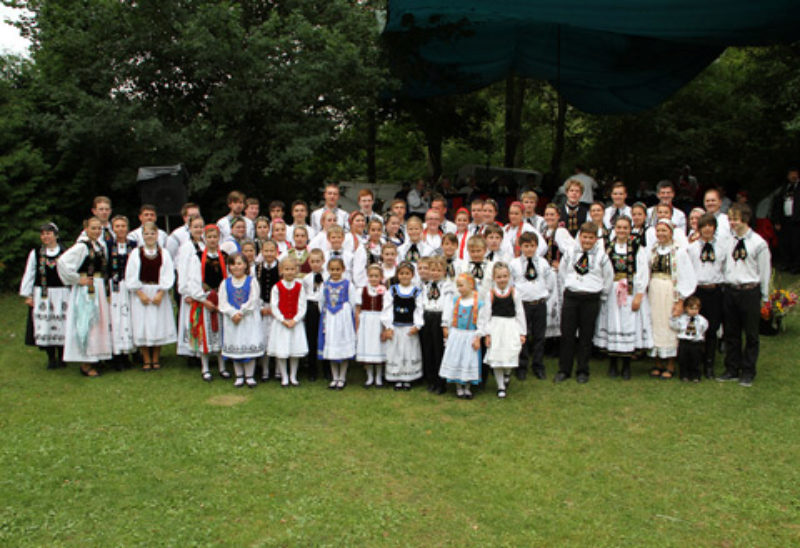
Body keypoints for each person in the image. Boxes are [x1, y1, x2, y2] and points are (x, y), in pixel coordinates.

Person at [554, 222, 614, 384]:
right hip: (572, 296)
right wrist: (568, 287)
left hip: (591, 298)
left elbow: (608, 278)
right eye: (584, 237)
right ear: (580, 236)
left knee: (586, 336)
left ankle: (582, 370)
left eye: (591, 238)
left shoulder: (602, 256)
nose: (587, 241)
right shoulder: (570, 252)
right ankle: (564, 370)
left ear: (596, 239)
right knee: (567, 335)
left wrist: (602, 296)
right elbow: (562, 272)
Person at [593, 216, 652, 380]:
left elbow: (642, 272)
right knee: (612, 323)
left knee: (628, 325)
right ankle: (612, 363)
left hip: (630, 289)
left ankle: (626, 365)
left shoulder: (637, 247)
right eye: (619, 227)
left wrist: (639, 294)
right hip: (612, 289)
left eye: (625, 228)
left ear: (630, 229)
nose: (622, 230)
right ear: (614, 229)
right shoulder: (607, 246)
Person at [718, 204, 771, 387]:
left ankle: (748, 370)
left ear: (745, 219)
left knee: (751, 334)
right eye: (730, 219)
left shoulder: (758, 243)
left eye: (735, 219)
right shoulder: (728, 240)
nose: (732, 222)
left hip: (749, 291)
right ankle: (732, 368)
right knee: (731, 333)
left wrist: (764, 298)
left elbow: (764, 272)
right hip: (731, 289)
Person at [57, 217, 113, 377]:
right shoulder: (82, 247)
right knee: (87, 322)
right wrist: (77, 279)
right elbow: (62, 262)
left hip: (98, 286)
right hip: (86, 290)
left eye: (99, 229)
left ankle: (96, 357)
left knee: (98, 323)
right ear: (86, 229)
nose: (96, 231)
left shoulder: (99, 246)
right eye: (93, 228)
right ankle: (85, 362)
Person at [646, 219, 697, 380]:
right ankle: (657, 362)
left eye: (664, 230)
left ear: (671, 232)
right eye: (658, 230)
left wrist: (680, 300)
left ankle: (670, 364)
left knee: (670, 325)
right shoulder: (652, 250)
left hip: (670, 292)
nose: (661, 234)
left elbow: (687, 276)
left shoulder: (679, 252)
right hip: (654, 291)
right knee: (655, 324)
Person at [178, 224, 229, 382]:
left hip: (220, 299)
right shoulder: (198, 257)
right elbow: (194, 280)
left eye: (215, 237)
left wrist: (223, 298)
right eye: (210, 237)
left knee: (221, 333)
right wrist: (203, 299)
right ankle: (205, 367)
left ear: (219, 238)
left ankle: (222, 367)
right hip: (205, 298)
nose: (213, 240)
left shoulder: (225, 256)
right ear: (204, 239)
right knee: (205, 333)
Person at [124, 222, 177, 370]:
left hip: (159, 291)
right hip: (142, 291)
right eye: (146, 234)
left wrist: (161, 292)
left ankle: (156, 358)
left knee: (158, 324)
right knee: (143, 324)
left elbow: (168, 274)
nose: (149, 236)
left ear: (157, 235)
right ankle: (146, 359)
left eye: (152, 233)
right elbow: (130, 274)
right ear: (142, 236)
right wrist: (139, 293)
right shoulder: (136, 253)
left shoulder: (163, 253)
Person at [19, 222, 68, 369]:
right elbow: (30, 274)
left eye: (48, 233)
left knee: (62, 323)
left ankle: (62, 356)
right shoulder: (36, 253)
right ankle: (51, 357)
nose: (45, 236)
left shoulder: (65, 252)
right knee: (46, 325)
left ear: (55, 235)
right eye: (43, 234)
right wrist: (28, 295)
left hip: (62, 293)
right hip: (43, 294)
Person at [687, 213, 729, 379]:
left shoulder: (722, 247)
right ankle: (695, 363)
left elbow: (725, 268)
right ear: (699, 228)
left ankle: (709, 364)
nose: (707, 229)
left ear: (714, 228)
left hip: (715, 291)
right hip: (698, 291)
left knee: (712, 328)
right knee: (696, 327)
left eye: (710, 226)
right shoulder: (691, 248)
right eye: (703, 226)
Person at [511, 232, 554, 380]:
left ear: (537, 246)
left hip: (539, 303)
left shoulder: (543, 263)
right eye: (526, 246)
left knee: (539, 336)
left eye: (532, 246)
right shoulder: (514, 264)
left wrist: (544, 295)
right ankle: (521, 366)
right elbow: (511, 284)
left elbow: (550, 282)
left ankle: (538, 365)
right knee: (522, 335)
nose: (529, 249)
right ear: (520, 246)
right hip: (523, 305)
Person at [219, 252, 264, 387]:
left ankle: (249, 375)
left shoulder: (252, 281)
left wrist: (242, 312)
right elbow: (222, 302)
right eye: (233, 264)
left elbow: (253, 299)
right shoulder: (225, 283)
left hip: (248, 319)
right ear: (229, 267)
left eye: (239, 263)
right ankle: (239, 375)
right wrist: (233, 313)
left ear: (245, 265)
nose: (236, 267)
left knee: (247, 343)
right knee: (236, 345)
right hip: (232, 321)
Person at [439, 273, 487, 399]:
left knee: (469, 359)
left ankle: (467, 386)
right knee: (456, 358)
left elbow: (482, 322)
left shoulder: (479, 303)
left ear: (471, 285)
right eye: (457, 286)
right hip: (456, 334)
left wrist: (478, 336)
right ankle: (458, 387)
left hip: (470, 335)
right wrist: (446, 328)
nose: (459, 289)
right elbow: (448, 315)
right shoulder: (456, 301)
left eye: (461, 285)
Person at [483, 262, 526, 399]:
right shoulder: (490, 294)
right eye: (499, 277)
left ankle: (507, 372)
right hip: (496, 327)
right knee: (496, 357)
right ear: (494, 278)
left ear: (509, 276)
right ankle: (500, 386)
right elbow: (486, 315)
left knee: (511, 353)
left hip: (511, 326)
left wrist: (522, 332)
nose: (502, 279)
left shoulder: (514, 293)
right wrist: (487, 334)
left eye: (505, 276)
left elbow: (520, 313)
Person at [381, 262, 424, 390]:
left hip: (409, 328)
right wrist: (388, 325)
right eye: (401, 273)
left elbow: (419, 309)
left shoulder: (416, 291)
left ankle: (408, 378)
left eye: (407, 273)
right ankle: (397, 377)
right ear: (397, 275)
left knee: (409, 352)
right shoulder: (392, 290)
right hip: (396, 327)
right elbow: (387, 308)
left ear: (412, 275)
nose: (404, 276)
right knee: (396, 351)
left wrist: (418, 324)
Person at [268, 256, 308, 387]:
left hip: (295, 323)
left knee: (294, 350)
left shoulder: (299, 287)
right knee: (282, 350)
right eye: (287, 269)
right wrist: (282, 320)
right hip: (282, 324)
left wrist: (295, 320)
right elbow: (274, 305)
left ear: (296, 270)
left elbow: (302, 305)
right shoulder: (277, 287)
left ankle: (293, 375)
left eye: (292, 269)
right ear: (281, 270)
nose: (290, 272)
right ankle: (284, 376)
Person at [318, 257, 358, 389]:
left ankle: (342, 377)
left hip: (343, 318)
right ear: (328, 270)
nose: (335, 272)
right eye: (332, 269)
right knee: (331, 344)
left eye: (338, 269)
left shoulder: (348, 284)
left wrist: (348, 315)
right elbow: (321, 301)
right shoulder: (325, 285)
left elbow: (353, 302)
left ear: (343, 269)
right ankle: (334, 377)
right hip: (330, 318)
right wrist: (326, 312)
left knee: (342, 345)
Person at [106, 215, 137, 369]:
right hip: (115, 287)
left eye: (123, 226)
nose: (120, 229)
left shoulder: (134, 245)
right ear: (113, 228)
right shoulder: (107, 245)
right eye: (117, 226)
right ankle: (117, 354)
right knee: (116, 320)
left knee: (130, 319)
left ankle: (130, 352)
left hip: (130, 286)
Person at [420, 257, 452, 394]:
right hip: (427, 317)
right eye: (432, 270)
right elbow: (421, 303)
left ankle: (441, 382)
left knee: (439, 351)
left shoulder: (447, 286)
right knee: (428, 350)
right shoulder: (425, 285)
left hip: (439, 317)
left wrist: (445, 324)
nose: (435, 273)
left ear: (444, 272)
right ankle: (431, 379)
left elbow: (448, 306)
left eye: (439, 270)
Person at [355, 264, 387, 387]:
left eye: (376, 276)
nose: (373, 278)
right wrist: (358, 324)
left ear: (381, 277)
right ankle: (369, 376)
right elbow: (358, 309)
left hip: (379, 320)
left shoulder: (384, 291)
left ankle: (378, 376)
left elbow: (387, 308)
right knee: (367, 347)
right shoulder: (362, 290)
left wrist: (385, 326)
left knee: (378, 347)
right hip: (366, 321)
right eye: (371, 276)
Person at [255, 240, 280, 381]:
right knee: (263, 337)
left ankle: (277, 369)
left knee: (276, 337)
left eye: (272, 251)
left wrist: (275, 308)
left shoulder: (281, 267)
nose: (269, 254)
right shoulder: (257, 268)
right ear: (262, 252)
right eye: (266, 251)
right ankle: (264, 369)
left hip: (277, 308)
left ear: (276, 252)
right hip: (263, 306)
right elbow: (255, 290)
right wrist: (261, 307)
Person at [670, 296, 708, 382]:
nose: (694, 311)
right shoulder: (682, 319)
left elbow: (704, 328)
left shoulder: (701, 320)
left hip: (696, 342)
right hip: (684, 342)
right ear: (686, 308)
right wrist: (673, 318)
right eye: (691, 308)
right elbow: (675, 326)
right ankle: (684, 375)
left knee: (696, 360)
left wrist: (699, 337)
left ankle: (696, 375)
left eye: (696, 309)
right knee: (683, 360)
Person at [770, 167, 800, 273]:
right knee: (785, 243)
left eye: (795, 173)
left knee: (796, 244)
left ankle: (796, 266)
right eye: (791, 174)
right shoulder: (784, 188)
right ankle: (786, 263)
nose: (793, 176)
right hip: (785, 221)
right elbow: (777, 205)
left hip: (797, 221)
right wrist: (777, 220)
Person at [302, 249, 326, 381]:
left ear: (323, 261)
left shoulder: (327, 276)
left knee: (324, 337)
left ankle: (327, 368)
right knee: (311, 338)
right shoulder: (306, 278)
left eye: (318, 261)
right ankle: (312, 370)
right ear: (309, 262)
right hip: (311, 308)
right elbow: (304, 295)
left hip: (323, 308)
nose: (315, 264)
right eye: (313, 261)